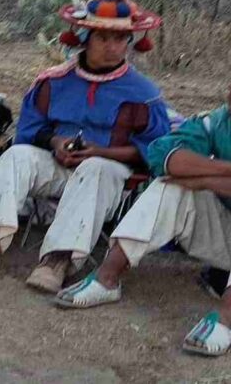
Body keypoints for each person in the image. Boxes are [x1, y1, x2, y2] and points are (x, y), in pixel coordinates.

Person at [0, 0, 170, 293]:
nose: (113, 47)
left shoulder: (144, 95)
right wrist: (55, 143)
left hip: (109, 175)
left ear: (131, 41)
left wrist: (101, 151)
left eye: (121, 39)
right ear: (84, 37)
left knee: (95, 167)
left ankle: (57, 259)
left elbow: (157, 152)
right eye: (104, 38)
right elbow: (30, 130)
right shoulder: (53, 82)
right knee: (16, 156)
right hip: (57, 164)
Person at [55, 83, 231, 357]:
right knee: (170, 186)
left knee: (186, 182)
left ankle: (227, 318)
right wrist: (221, 173)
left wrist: (205, 179)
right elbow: (165, 156)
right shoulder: (216, 122)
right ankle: (107, 279)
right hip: (223, 235)